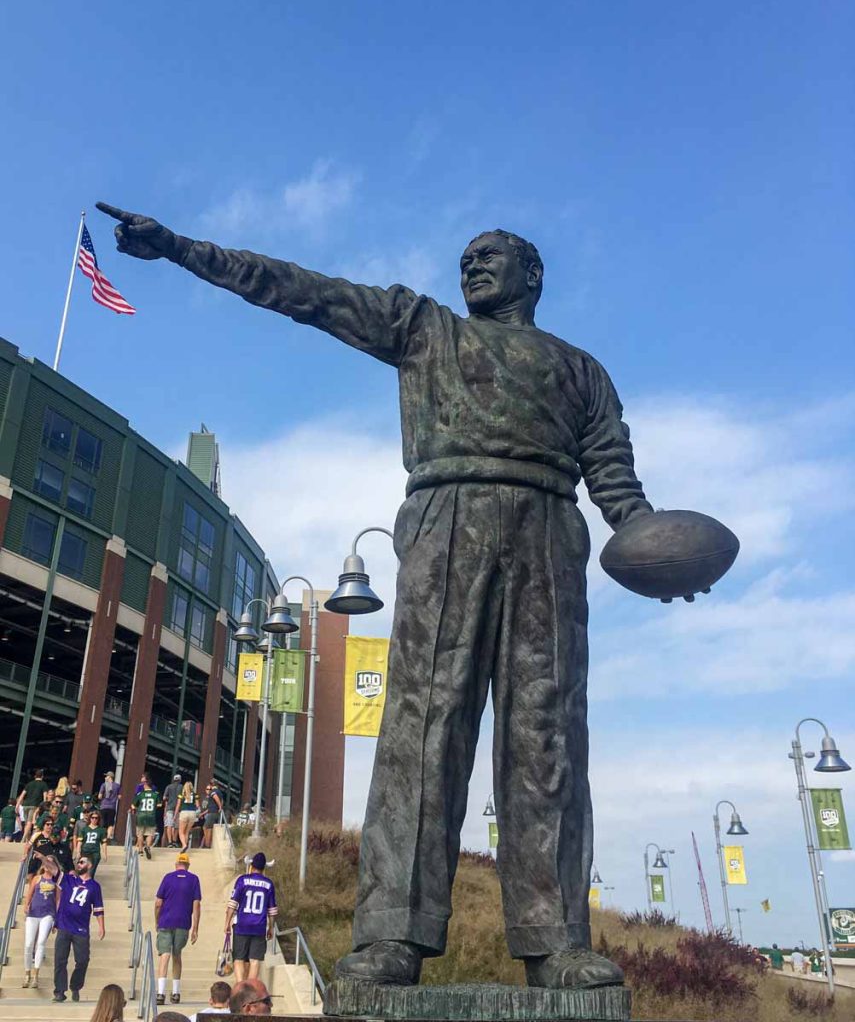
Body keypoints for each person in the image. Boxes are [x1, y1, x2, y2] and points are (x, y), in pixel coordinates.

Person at [99, 206, 663, 990]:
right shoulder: (425, 328)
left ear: (532, 276)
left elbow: (613, 474)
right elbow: (304, 292)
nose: (471, 265)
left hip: (547, 529)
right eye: (465, 256)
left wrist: (652, 550)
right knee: (419, 728)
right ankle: (393, 932)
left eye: (489, 255)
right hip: (444, 516)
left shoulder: (580, 370)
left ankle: (556, 936)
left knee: (548, 736)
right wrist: (184, 251)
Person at [53, 853, 105, 1002]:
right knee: (60, 959)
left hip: (81, 928)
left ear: (89, 865)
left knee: (82, 960)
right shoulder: (69, 880)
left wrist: (101, 927)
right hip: (64, 925)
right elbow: (54, 870)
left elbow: (99, 908)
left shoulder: (94, 887)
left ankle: (75, 986)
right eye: (78, 862)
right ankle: (59, 991)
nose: (79, 864)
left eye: (82, 862)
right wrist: (44, 859)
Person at [154, 852, 201, 1006]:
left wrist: (157, 920)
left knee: (164, 955)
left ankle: (160, 993)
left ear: (176, 865)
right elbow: (196, 905)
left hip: (166, 921)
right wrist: (195, 928)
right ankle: (175, 992)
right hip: (183, 922)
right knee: (177, 955)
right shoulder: (194, 879)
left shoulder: (168, 878)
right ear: (187, 865)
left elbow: (158, 903)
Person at [225, 852, 277, 981]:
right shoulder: (269, 884)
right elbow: (272, 910)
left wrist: (227, 922)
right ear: (264, 868)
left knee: (239, 959)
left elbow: (233, 903)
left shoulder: (242, 880)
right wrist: (271, 928)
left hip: (241, 925)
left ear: (251, 866)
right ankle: (250, 988)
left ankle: (240, 985)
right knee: (255, 960)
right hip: (259, 927)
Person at [22, 856, 61, 989]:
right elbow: (30, 893)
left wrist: (57, 918)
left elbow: (58, 900)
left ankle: (35, 975)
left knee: (41, 942)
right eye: (45, 863)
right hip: (33, 913)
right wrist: (26, 906)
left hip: (48, 914)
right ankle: (27, 973)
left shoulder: (57, 881)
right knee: (28, 944)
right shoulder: (37, 878)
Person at [132, 777, 161, 860]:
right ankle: (147, 847)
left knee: (140, 834)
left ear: (145, 785)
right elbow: (159, 805)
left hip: (141, 815)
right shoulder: (156, 794)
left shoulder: (140, 794)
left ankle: (140, 850)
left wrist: (136, 809)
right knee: (150, 834)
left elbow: (133, 805)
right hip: (151, 815)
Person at [17, 768, 49, 842]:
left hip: (25, 805)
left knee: (26, 823)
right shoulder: (43, 784)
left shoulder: (29, 784)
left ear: (35, 776)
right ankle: (23, 839)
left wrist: (17, 805)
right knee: (29, 822)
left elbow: (22, 795)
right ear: (42, 776)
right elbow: (45, 796)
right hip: (34, 805)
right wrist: (44, 806)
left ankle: (27, 839)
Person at [78, 810, 108, 877]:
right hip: (85, 852)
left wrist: (105, 853)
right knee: (82, 870)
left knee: (91, 872)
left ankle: (90, 885)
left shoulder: (101, 830)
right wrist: (78, 851)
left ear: (98, 819)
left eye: (96, 818)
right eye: (92, 817)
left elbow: (104, 843)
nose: (94, 819)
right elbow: (80, 841)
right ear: (90, 818)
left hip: (95, 853)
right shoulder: (84, 829)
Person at [97, 772, 122, 843]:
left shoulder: (103, 785)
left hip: (104, 806)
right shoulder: (117, 786)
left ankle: (103, 837)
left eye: (106, 776)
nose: (105, 778)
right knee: (110, 823)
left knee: (103, 823)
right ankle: (108, 837)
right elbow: (120, 797)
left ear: (110, 777)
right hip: (112, 807)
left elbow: (99, 796)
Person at [176, 782, 198, 852]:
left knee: (181, 831)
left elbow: (178, 805)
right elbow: (198, 805)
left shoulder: (181, 795)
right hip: (192, 813)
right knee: (187, 831)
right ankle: (184, 848)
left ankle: (184, 845)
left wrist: (175, 814)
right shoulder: (195, 795)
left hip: (184, 812)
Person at [163, 774, 183, 849]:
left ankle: (170, 842)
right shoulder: (181, 787)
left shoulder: (168, 787)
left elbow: (164, 797)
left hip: (169, 808)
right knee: (176, 826)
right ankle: (174, 841)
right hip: (178, 809)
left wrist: (169, 798)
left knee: (169, 825)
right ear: (180, 780)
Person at [201, 783, 223, 849]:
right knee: (209, 828)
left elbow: (215, 797)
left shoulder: (213, 792)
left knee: (205, 827)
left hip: (212, 812)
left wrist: (220, 807)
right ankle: (207, 845)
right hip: (215, 812)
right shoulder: (220, 792)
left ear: (212, 786)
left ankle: (207, 845)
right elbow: (221, 801)